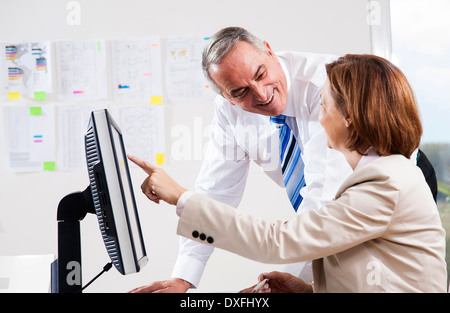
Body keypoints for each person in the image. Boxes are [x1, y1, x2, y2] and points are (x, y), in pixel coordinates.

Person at [131, 27, 438, 293]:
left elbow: (296, 232)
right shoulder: (231, 111)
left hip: (365, 194)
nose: (261, 94)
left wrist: (181, 197)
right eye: (240, 91)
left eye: (322, 106)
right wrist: (184, 277)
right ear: (228, 97)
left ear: (269, 51)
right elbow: (217, 191)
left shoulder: (330, 85)